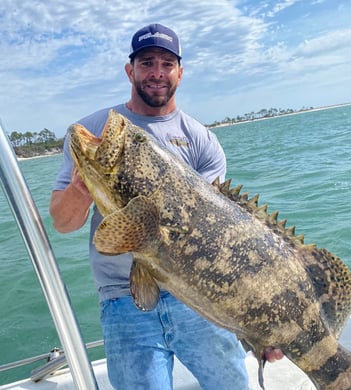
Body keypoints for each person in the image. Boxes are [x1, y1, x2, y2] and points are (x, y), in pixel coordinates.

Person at [50, 23, 283, 390]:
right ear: (131, 70)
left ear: (180, 72)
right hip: (122, 299)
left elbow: (218, 236)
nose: (157, 72)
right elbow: (63, 223)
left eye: (166, 63)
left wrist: (256, 319)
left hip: (197, 299)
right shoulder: (94, 128)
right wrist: (83, 185)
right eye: (146, 63)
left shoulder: (202, 141)